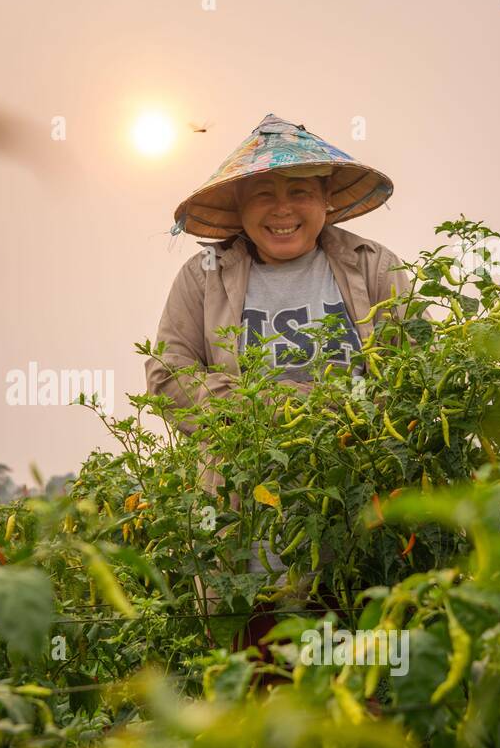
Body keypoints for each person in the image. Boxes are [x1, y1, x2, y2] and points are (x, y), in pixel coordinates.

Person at [145, 113, 411, 669]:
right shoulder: (204, 277)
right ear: (239, 208)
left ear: (326, 200)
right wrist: (259, 409)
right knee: (262, 692)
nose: (282, 208)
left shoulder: (374, 267)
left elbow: (418, 370)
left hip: (362, 523)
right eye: (263, 192)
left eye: (299, 191)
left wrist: (351, 413)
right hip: (247, 533)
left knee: (364, 684)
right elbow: (168, 374)